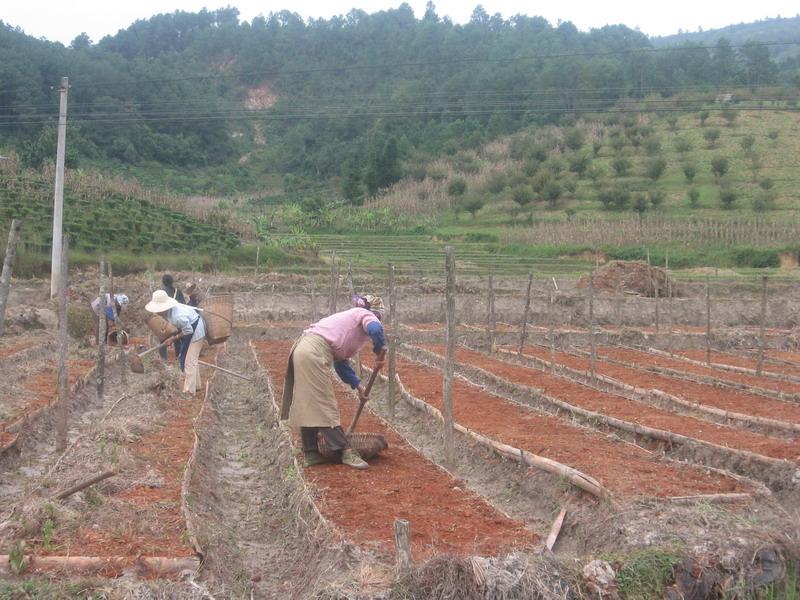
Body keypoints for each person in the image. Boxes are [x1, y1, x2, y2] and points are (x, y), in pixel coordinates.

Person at [281, 294, 386, 470]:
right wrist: (379, 350)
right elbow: (376, 330)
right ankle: (345, 451)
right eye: (380, 317)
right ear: (376, 313)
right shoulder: (363, 314)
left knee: (308, 402)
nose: (379, 320)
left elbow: (341, 364)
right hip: (313, 352)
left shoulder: (352, 326)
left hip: (302, 349)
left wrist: (358, 386)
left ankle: (311, 452)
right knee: (324, 403)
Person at [145, 289, 206, 397]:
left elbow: (188, 331)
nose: (157, 312)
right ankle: (196, 386)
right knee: (192, 359)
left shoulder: (177, 316)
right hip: (192, 327)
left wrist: (173, 338)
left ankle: (189, 392)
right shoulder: (170, 312)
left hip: (196, 331)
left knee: (189, 362)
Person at [159, 274, 185, 362]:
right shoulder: (178, 292)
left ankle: (163, 361)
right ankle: (179, 359)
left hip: (165, 321)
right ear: (172, 281)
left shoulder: (161, 292)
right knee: (177, 340)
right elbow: (183, 305)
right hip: (177, 319)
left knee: (163, 341)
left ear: (163, 282)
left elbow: (159, 308)